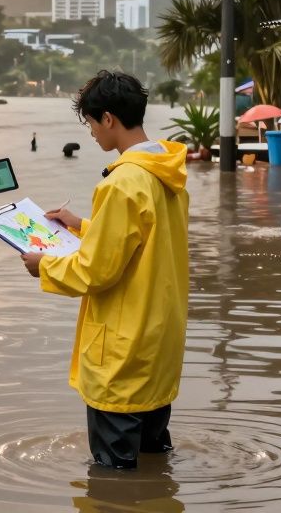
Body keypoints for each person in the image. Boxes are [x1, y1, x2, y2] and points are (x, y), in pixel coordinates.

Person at [21, 70, 189, 470]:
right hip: (159, 342)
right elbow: (147, 240)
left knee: (114, 478)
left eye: (92, 123)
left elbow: (96, 271)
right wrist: (81, 225)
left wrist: (44, 266)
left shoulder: (121, 183)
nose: (93, 133)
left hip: (123, 349)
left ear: (108, 118)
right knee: (154, 460)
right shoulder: (167, 173)